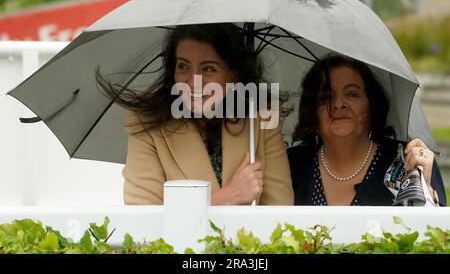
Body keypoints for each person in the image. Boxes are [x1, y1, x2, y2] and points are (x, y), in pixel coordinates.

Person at [97, 23, 294, 205]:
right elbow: (143, 220)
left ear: (234, 75)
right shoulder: (145, 124)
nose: (194, 82)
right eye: (183, 66)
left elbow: (280, 212)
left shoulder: (262, 117)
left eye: (208, 68)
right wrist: (229, 196)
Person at [288, 54, 446, 206]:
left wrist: (425, 189)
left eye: (352, 94)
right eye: (326, 97)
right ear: (312, 110)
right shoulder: (290, 166)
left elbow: (437, 232)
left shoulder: (407, 161)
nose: (338, 104)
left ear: (372, 105)